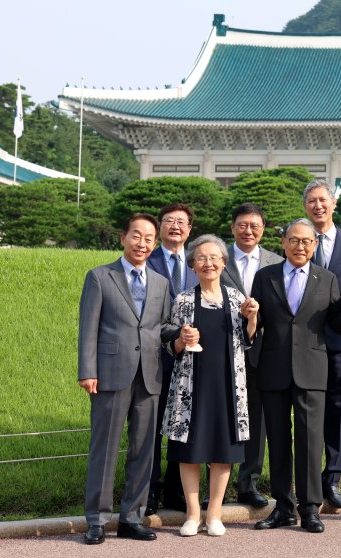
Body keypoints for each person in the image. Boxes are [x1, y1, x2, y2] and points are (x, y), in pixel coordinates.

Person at [251, 218, 341, 534]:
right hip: (273, 369)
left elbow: (337, 325)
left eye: (307, 242)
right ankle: (283, 507)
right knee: (279, 441)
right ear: (283, 242)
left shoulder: (326, 279)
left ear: (314, 246)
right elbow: (256, 325)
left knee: (311, 441)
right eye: (294, 240)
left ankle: (310, 507)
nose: (300, 246)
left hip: (313, 370)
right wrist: (249, 316)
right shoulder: (265, 277)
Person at [78, 213, 173, 544]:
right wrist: (88, 370)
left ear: (155, 244)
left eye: (149, 239)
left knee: (144, 449)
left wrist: (182, 333)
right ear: (123, 238)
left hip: (149, 375)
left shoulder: (161, 283)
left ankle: (133, 517)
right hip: (109, 375)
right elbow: (88, 327)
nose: (142, 243)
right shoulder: (100, 277)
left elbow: (161, 326)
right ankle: (97, 520)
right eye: (137, 236)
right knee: (104, 447)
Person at [161, 234, 259, 537]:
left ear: (223, 263)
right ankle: (192, 514)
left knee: (223, 450)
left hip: (228, 386)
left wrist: (252, 318)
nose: (208, 263)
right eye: (201, 258)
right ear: (192, 265)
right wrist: (181, 339)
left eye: (214, 258)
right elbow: (171, 344)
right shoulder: (184, 300)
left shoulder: (237, 299)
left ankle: (214, 514)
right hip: (191, 386)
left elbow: (248, 340)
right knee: (189, 450)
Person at [303, 179, 341, 509]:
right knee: (307, 410)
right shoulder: (298, 241)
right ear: (305, 207)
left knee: (337, 410)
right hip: (304, 342)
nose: (318, 206)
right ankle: (308, 478)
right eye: (312, 201)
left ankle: (333, 477)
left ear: (334, 204)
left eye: (323, 200)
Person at [220, 203, 283, 509]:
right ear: (232, 227)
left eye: (255, 226)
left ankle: (248, 483)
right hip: (222, 348)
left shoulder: (276, 261)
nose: (249, 231)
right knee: (220, 416)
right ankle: (216, 485)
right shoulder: (217, 257)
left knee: (256, 419)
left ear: (263, 230)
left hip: (263, 350)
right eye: (242, 225)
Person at [146, 203, 199, 514]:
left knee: (185, 426)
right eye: (169, 221)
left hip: (190, 360)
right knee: (149, 429)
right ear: (160, 228)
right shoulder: (145, 261)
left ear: (189, 229)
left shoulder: (199, 262)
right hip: (153, 357)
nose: (175, 226)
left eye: (182, 222)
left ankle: (177, 491)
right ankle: (148, 491)